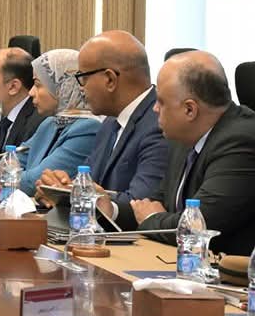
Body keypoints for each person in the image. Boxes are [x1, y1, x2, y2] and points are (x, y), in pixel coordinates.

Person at [122, 50, 255, 251]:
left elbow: (197, 227)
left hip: (237, 267)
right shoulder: (186, 135)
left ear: (190, 110)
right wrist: (111, 209)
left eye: (161, 102)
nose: (155, 109)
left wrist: (152, 217)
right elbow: (155, 202)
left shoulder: (241, 143)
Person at [0, 48, 100, 195]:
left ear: (63, 88)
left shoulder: (88, 129)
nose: (31, 92)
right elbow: (11, 164)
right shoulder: (50, 124)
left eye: (37, 85)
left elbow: (34, 181)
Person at [37, 30, 169, 204]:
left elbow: (141, 203)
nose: (81, 88)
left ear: (110, 80)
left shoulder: (161, 124)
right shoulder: (110, 123)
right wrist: (59, 188)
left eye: (82, 78)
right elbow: (88, 182)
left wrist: (78, 195)